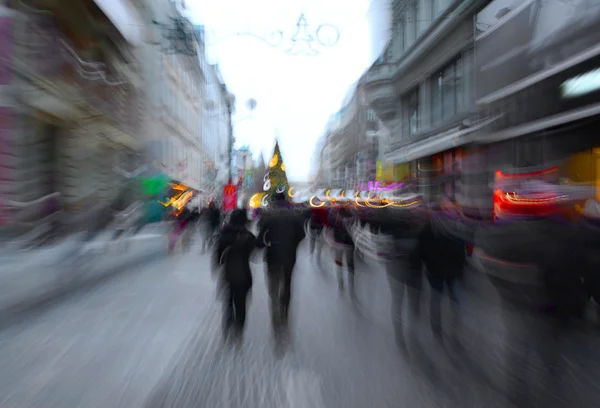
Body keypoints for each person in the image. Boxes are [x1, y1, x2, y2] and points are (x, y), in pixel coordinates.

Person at [257, 193, 306, 341]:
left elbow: (260, 238)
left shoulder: (268, 215)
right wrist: (293, 245)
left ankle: (275, 312)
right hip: (289, 257)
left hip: (273, 255)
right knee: (287, 284)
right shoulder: (294, 216)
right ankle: (284, 312)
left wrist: (263, 245)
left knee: (273, 285)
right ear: (286, 200)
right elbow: (302, 235)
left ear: (275, 200)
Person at [212, 209, 257, 344]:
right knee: (241, 305)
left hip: (228, 275)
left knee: (228, 303)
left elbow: (218, 258)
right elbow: (253, 255)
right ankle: (238, 330)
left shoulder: (223, 235)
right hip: (244, 274)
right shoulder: (249, 236)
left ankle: (227, 327)